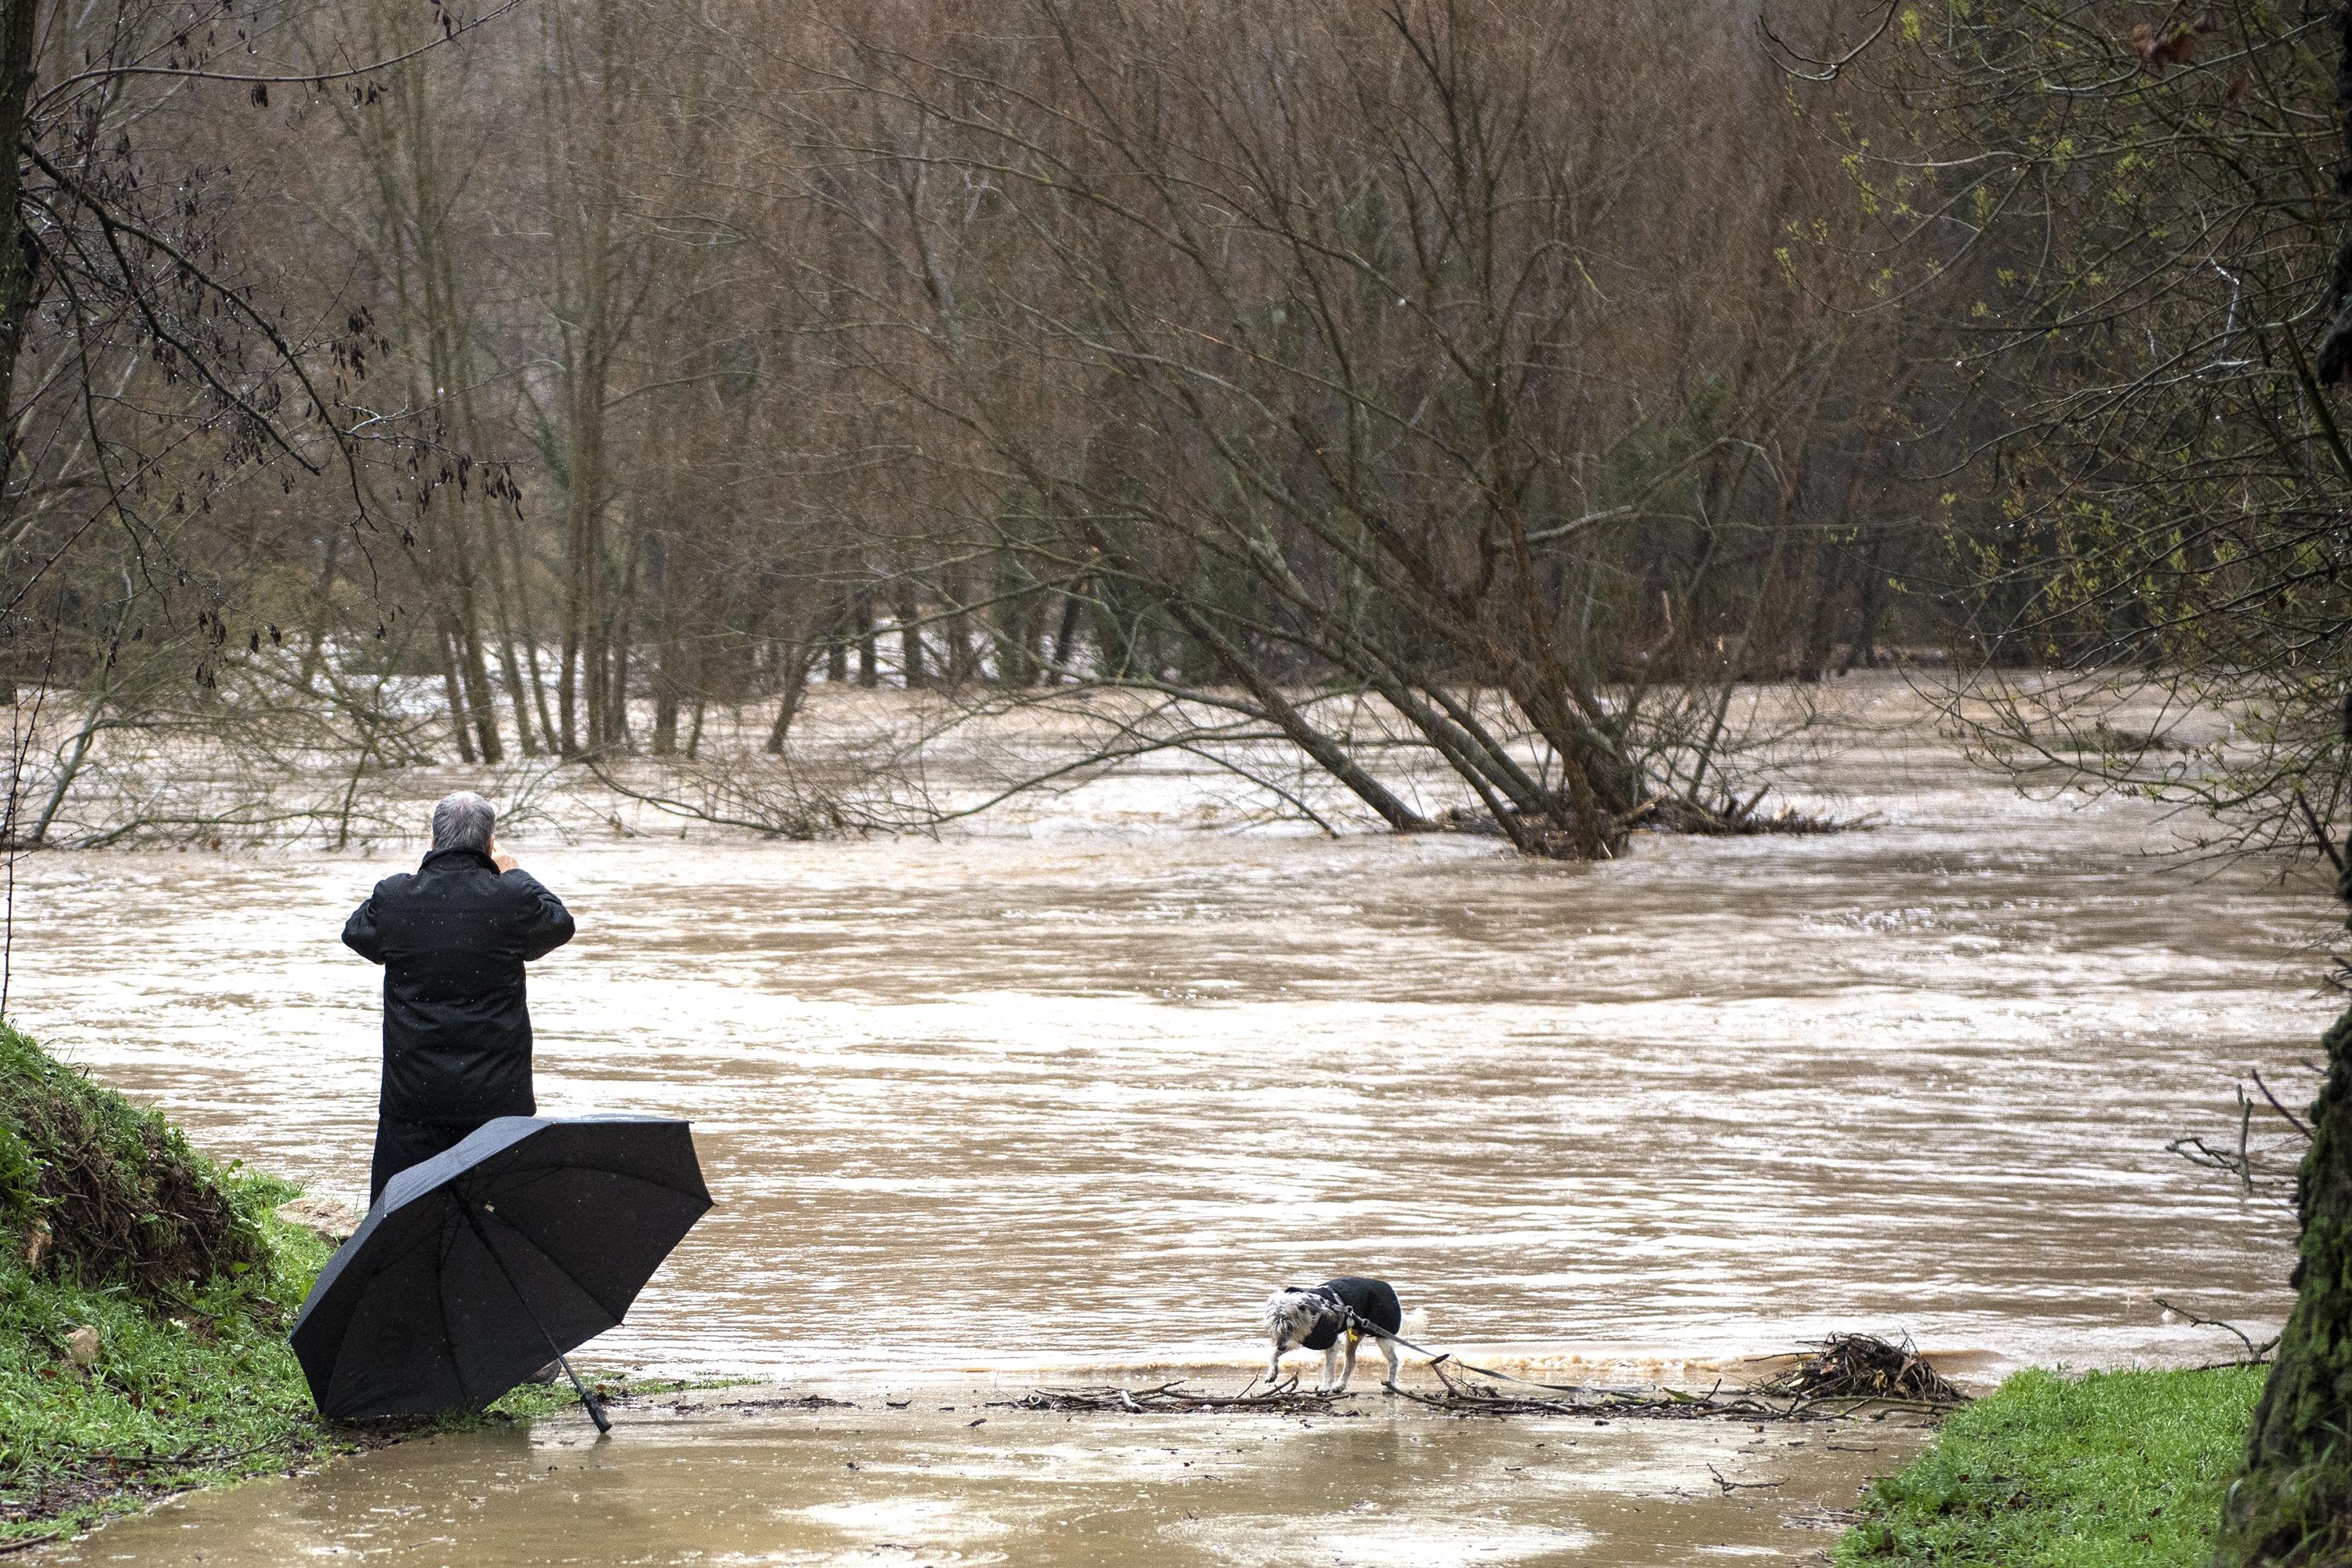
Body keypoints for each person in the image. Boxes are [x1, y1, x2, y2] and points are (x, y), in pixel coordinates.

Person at [343, 791, 575, 1203]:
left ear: (433, 841)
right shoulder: (513, 898)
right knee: (498, 1212)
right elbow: (559, 923)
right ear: (489, 845)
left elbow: (357, 933)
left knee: (398, 1212)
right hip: (497, 1099)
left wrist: (423, 873)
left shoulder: (396, 896)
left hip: (414, 1097)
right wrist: (514, 871)